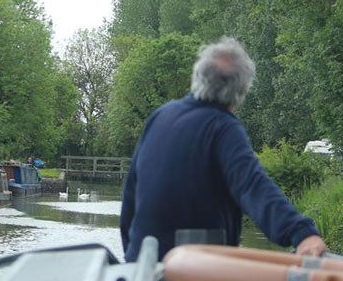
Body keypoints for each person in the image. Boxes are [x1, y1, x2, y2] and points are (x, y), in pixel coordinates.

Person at [120, 37, 327, 262]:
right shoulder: (223, 127)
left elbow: (130, 194)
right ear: (240, 91)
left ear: (197, 77)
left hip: (141, 264)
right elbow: (252, 185)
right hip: (191, 269)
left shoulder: (160, 116)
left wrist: (132, 257)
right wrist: (301, 233)